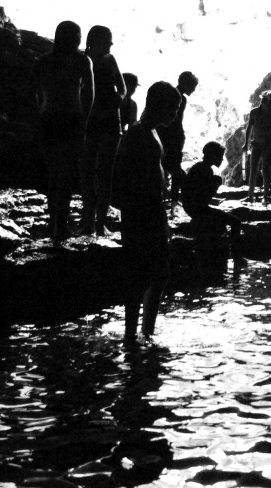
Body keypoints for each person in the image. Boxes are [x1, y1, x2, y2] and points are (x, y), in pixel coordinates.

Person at [116, 80, 181, 344]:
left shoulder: (151, 131)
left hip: (152, 209)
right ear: (159, 105)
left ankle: (145, 331)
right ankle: (134, 333)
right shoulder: (137, 132)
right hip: (141, 211)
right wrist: (131, 209)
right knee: (143, 273)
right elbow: (121, 173)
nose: (176, 112)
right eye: (173, 107)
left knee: (157, 273)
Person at [32, 20, 94, 242]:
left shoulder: (43, 62)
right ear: (72, 37)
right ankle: (61, 224)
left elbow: (33, 93)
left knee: (53, 174)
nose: (80, 39)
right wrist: (84, 119)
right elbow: (89, 93)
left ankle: (54, 224)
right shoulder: (81, 61)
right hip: (71, 120)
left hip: (48, 118)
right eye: (78, 35)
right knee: (66, 175)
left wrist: (38, 115)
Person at [80, 25, 126, 236]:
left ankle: (100, 222)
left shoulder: (110, 59)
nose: (111, 43)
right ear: (95, 40)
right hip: (90, 120)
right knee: (88, 172)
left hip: (110, 119)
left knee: (105, 173)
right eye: (108, 39)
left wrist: (120, 97)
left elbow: (122, 86)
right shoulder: (83, 59)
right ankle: (88, 221)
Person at [182, 141, 242, 254]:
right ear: (212, 156)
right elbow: (204, 197)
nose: (222, 160)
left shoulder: (199, 167)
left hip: (192, 208)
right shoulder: (205, 170)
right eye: (219, 156)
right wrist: (216, 183)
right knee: (235, 222)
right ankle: (236, 255)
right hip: (198, 209)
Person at [157, 70, 199, 208]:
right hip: (174, 135)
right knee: (174, 167)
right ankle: (175, 198)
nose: (194, 89)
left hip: (166, 133)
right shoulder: (180, 97)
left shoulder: (170, 93)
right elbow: (176, 120)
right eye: (193, 86)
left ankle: (166, 195)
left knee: (165, 164)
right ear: (186, 84)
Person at [243, 90, 271, 204]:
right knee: (253, 171)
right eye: (270, 103)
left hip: (267, 145)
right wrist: (245, 144)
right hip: (256, 144)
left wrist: (270, 133)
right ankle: (250, 196)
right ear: (263, 102)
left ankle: (265, 197)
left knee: (265, 171)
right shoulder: (254, 112)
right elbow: (249, 128)